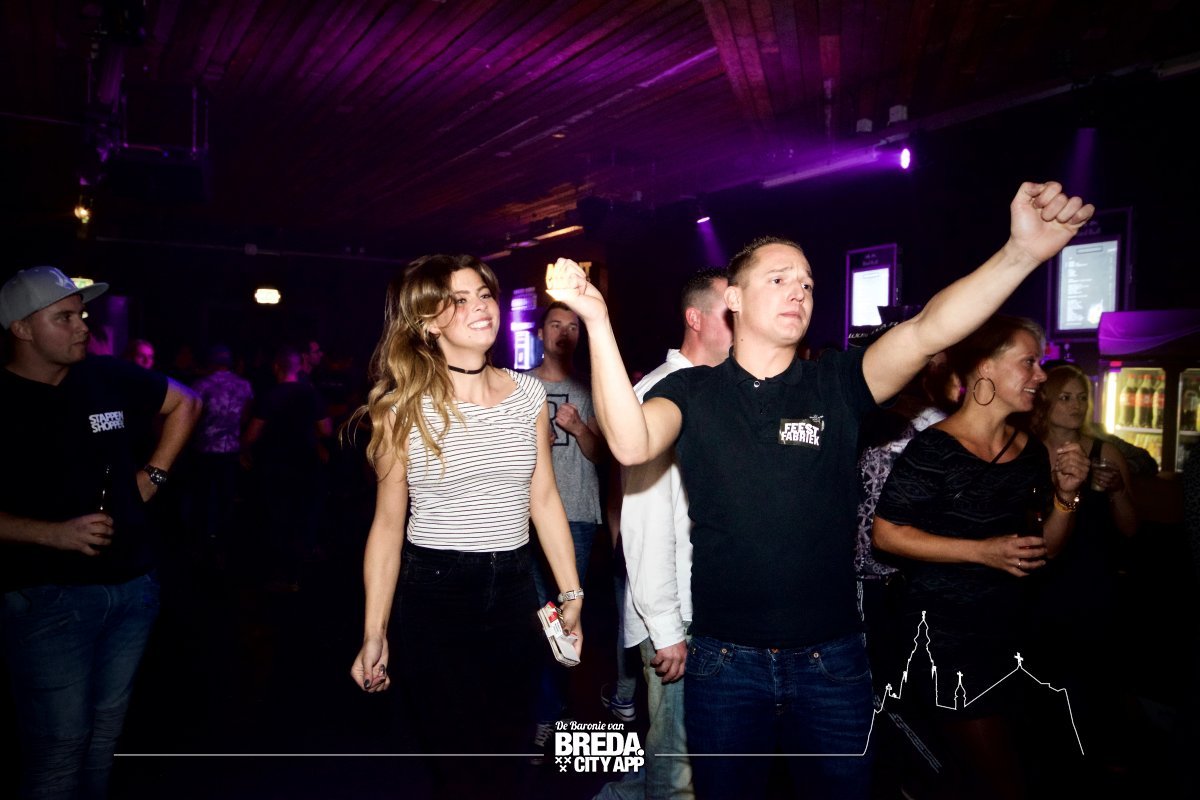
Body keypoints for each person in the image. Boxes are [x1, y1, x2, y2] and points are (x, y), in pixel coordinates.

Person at [545, 180, 1093, 800]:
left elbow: (929, 329)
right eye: (779, 278)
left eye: (807, 283)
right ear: (732, 298)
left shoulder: (836, 382)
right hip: (725, 663)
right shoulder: (691, 391)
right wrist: (597, 319)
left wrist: (1020, 253)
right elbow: (629, 444)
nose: (798, 291)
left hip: (831, 662)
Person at [348, 254, 583, 797]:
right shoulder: (402, 407)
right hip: (437, 593)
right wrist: (374, 632)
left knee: (508, 751)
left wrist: (571, 591)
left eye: (484, 294)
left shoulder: (528, 396)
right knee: (457, 761)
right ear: (428, 322)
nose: (481, 307)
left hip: (516, 588)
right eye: (459, 300)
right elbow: (387, 526)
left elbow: (544, 498)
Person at [0, 266, 202, 800]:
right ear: (22, 328)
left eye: (82, 315)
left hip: (133, 588)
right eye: (64, 317)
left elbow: (186, 402)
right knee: (60, 748)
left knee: (105, 739)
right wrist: (52, 535)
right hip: (48, 598)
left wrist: (154, 475)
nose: (82, 326)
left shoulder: (105, 375)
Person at [872, 317, 1090, 800]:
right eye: (1029, 362)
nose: (1040, 375)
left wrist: (1066, 497)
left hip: (1012, 636)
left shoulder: (1029, 452)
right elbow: (885, 535)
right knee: (1003, 784)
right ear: (986, 368)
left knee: (996, 776)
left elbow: (1045, 549)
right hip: (946, 640)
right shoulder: (934, 449)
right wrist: (982, 551)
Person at [595, 268, 733, 800]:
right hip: (679, 617)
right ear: (695, 318)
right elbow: (646, 523)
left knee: (689, 756)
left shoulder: (719, 389)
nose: (741, 322)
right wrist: (666, 628)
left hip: (711, 608)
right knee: (677, 767)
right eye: (729, 312)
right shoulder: (660, 393)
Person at [1030, 364, 1137, 767]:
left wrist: (1117, 492)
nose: (1076, 406)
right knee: (1042, 681)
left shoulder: (1103, 454)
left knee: (1092, 684)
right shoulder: (1027, 451)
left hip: (1092, 581)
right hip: (1039, 581)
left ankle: (1092, 763)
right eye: (1065, 397)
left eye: (1081, 398)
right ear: (1045, 401)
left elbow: (1131, 529)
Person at [526, 301, 607, 750]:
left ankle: (548, 712)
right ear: (541, 333)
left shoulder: (590, 387)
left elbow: (602, 455)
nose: (564, 332)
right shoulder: (520, 385)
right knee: (533, 620)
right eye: (555, 324)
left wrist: (578, 428)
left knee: (560, 620)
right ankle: (539, 708)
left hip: (575, 514)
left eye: (573, 326)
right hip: (522, 518)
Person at [243, 347, 332, 589]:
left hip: (276, 465)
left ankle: (281, 574)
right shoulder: (310, 393)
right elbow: (326, 429)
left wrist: (244, 450)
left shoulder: (270, 395)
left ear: (276, 367)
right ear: (298, 367)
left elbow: (252, 433)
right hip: (306, 464)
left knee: (278, 517)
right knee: (303, 517)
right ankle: (297, 575)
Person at [188, 344, 254, 544]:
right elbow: (246, 417)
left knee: (203, 495)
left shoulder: (201, 385)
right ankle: (225, 538)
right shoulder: (244, 385)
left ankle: (202, 537)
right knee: (226, 496)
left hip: (205, 448)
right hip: (231, 448)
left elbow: (192, 417)